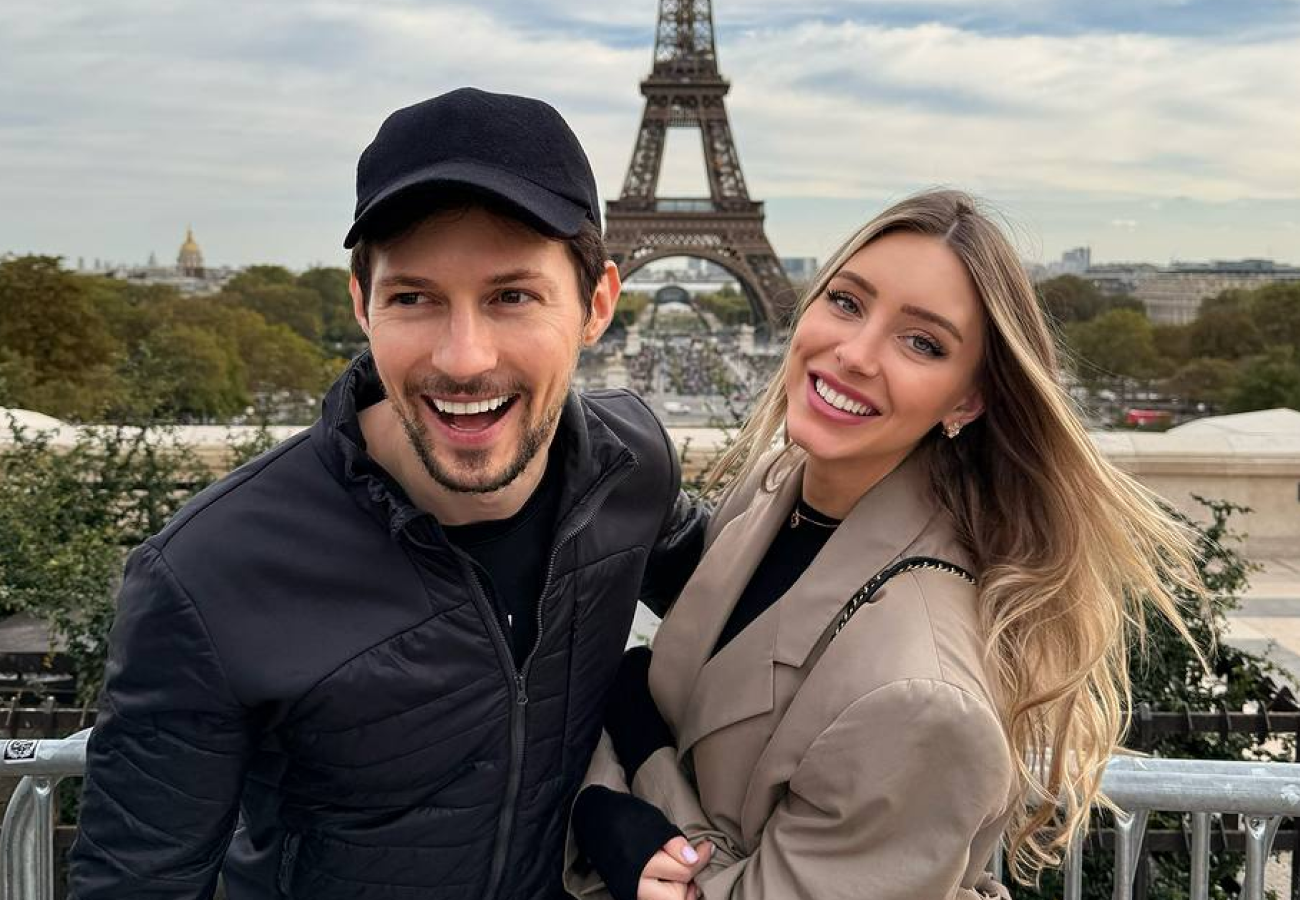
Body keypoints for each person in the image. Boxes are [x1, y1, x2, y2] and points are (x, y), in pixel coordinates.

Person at [68, 87, 707, 900]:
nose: (465, 357)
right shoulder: (206, 574)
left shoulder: (634, 464)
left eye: (512, 296)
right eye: (414, 297)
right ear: (362, 306)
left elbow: (762, 616)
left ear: (597, 305)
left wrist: (615, 809)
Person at [565, 189, 1204, 900]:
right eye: (846, 301)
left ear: (967, 399)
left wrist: (619, 794)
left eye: (922, 343)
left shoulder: (927, 700)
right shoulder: (776, 491)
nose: (855, 353)